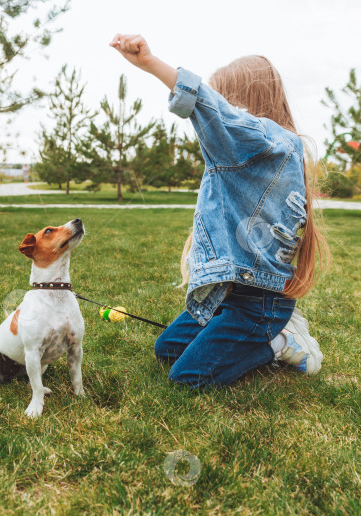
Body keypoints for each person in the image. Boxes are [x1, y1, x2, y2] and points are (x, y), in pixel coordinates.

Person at [110, 34, 330, 389]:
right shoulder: (264, 149)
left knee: (188, 377)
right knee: (167, 348)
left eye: (226, 101)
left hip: (260, 302)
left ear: (241, 101)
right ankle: (258, 334)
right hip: (230, 293)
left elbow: (215, 111)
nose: (222, 113)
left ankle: (280, 342)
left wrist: (151, 63)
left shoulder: (269, 141)